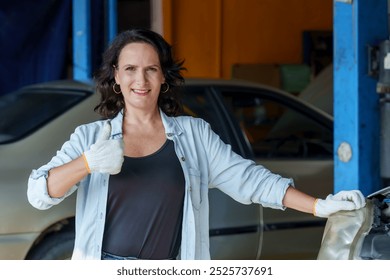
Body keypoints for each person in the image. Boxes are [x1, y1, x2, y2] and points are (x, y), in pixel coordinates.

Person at [27, 28, 366, 260]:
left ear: (163, 76)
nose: (140, 80)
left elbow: (250, 180)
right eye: (130, 69)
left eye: (151, 69)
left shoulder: (194, 135)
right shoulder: (90, 137)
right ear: (116, 76)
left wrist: (320, 206)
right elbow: (39, 193)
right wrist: (86, 163)